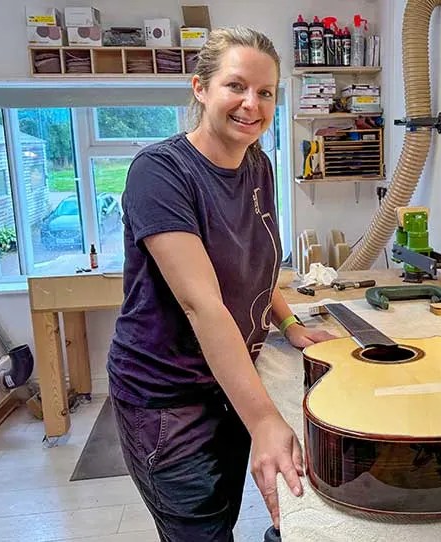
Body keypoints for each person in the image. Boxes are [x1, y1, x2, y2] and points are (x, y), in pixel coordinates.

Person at [106, 26, 335, 541]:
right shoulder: (160, 173)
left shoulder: (258, 165)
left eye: (265, 92)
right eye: (236, 86)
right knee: (201, 532)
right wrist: (264, 420)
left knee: (225, 514)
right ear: (200, 88)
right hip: (168, 400)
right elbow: (203, 303)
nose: (251, 104)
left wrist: (291, 324)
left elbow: (257, 262)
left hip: (229, 380)